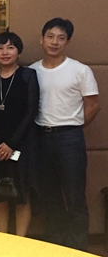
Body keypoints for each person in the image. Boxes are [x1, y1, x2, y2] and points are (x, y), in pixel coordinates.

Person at [30, 18, 100, 251]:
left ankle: (77, 248)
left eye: (61, 38)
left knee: (74, 196)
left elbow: (93, 105)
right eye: (50, 36)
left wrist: (73, 127)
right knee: (48, 195)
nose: (54, 42)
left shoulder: (80, 70)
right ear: (42, 39)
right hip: (40, 138)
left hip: (70, 139)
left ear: (67, 42)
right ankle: (56, 245)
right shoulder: (32, 71)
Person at [0, 31, 39, 236]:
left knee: (22, 192)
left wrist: (11, 144)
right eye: (0, 48)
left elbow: (31, 110)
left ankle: (20, 241)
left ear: (18, 52)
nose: (5, 52)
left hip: (21, 143)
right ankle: (2, 239)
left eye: (10, 47)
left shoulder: (28, 75)